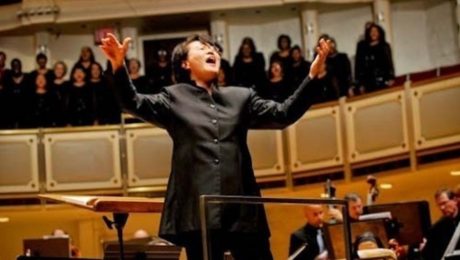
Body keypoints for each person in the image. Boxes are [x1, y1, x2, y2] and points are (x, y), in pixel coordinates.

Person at [100, 33, 329, 260]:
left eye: (214, 48)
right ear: (185, 63)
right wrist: (118, 66)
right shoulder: (173, 98)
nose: (211, 51)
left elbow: (283, 114)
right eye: (202, 48)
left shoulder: (241, 97)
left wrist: (313, 76)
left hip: (243, 210)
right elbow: (133, 102)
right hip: (199, 214)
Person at [354, 24, 395, 94]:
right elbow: (358, 66)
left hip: (383, 80)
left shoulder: (385, 46)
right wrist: (360, 84)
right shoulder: (362, 47)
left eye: (376, 31)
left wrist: (391, 77)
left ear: (379, 33)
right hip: (368, 82)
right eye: (371, 31)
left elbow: (389, 62)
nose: (373, 33)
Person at [422, 188, 460, 260]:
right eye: (439, 205)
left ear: (455, 200)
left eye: (444, 203)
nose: (441, 208)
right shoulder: (437, 228)